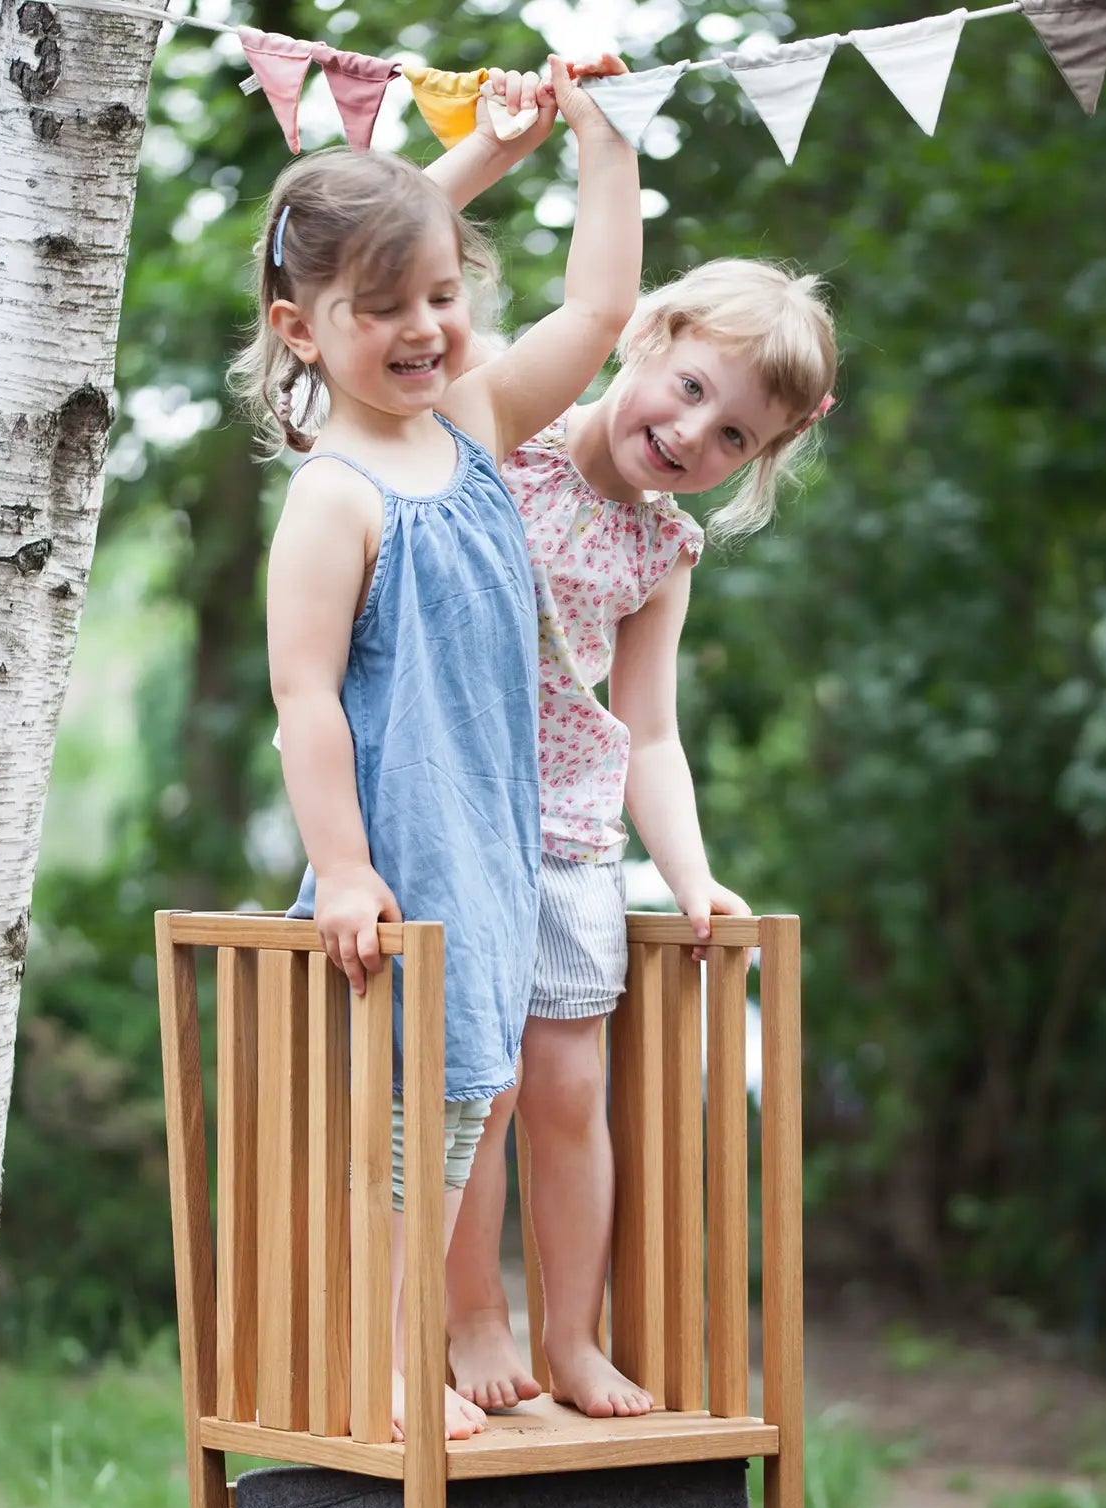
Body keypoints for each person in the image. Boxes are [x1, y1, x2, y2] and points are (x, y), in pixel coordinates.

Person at [239, 58, 641, 1441]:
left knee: (482, 1092)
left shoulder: (469, 430)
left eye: (445, 298)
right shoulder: (334, 499)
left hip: (498, 838)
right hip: (401, 855)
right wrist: (341, 868)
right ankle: (386, 1354)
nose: (426, 329)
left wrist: (592, 141)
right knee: (404, 1127)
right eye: (385, 309)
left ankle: (425, 1336)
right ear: (302, 330)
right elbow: (302, 699)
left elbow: (597, 310)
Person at [430, 98, 838, 1418]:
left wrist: (695, 875)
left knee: (567, 1091)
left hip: (569, 840)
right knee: (473, 1093)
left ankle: (570, 1335)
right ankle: (468, 1318)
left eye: (736, 439)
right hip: (457, 820)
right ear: (651, 336)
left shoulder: (667, 549)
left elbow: (648, 731)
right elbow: (414, 266)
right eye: (693, 390)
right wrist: (525, 138)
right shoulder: (509, 438)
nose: (694, 438)